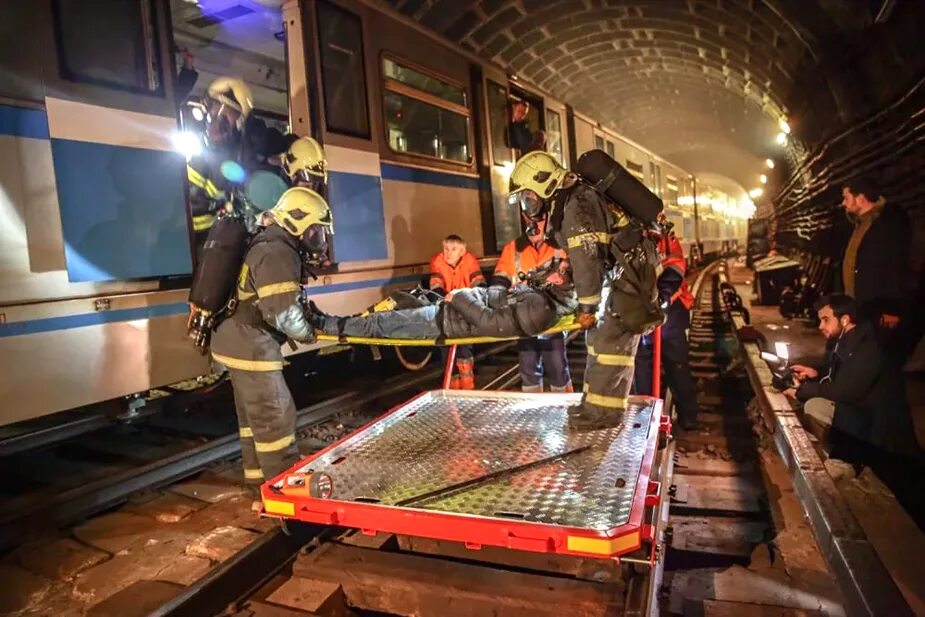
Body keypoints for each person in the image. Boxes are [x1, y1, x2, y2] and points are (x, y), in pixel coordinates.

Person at [507, 151, 663, 430]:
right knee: (601, 345)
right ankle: (594, 408)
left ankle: (605, 415)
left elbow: (587, 259)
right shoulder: (573, 199)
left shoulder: (577, 204)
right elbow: (586, 253)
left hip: (628, 279)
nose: (528, 207)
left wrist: (587, 307)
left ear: (545, 184)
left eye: (529, 198)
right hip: (626, 274)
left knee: (609, 347)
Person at [210, 187, 334, 491]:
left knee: (253, 423)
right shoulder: (278, 251)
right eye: (317, 231)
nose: (321, 239)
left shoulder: (269, 242)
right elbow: (283, 315)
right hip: (251, 347)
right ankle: (286, 494)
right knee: (274, 418)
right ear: (296, 222)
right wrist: (309, 333)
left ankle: (258, 488)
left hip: (235, 342)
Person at [783, 294, 922, 523]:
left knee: (814, 405)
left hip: (881, 431)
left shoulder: (869, 347)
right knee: (814, 404)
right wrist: (815, 373)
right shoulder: (847, 340)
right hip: (862, 416)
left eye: (825, 320)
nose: (821, 326)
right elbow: (837, 372)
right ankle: (846, 454)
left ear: (845, 319)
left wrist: (802, 391)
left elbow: (845, 392)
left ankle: (850, 459)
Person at [313, 270, 577, 343]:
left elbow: (489, 323)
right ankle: (340, 322)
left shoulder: (541, 309)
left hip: (443, 321)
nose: (554, 271)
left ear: (563, 284)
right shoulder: (541, 299)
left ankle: (328, 324)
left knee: (381, 324)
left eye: (560, 272)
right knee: (398, 300)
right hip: (446, 310)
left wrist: (460, 296)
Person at [492, 196, 572, 393]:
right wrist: (495, 298)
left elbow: (572, 278)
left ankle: (563, 409)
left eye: (537, 222)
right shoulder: (513, 249)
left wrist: (562, 278)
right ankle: (533, 411)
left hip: (551, 318)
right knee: (528, 367)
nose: (533, 227)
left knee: (556, 365)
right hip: (523, 317)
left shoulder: (559, 247)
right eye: (529, 221)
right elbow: (500, 277)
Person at [633, 216, 699, 429]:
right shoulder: (626, 234)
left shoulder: (664, 236)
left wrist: (662, 296)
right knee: (642, 366)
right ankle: (644, 418)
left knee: (676, 366)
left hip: (669, 309)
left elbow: (676, 266)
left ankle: (688, 416)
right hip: (640, 311)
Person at [838, 177, 912, 359]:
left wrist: (892, 308)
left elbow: (895, 265)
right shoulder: (860, 224)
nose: (843, 203)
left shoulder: (886, 225)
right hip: (860, 304)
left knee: (880, 358)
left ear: (860, 198)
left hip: (877, 306)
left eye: (846, 198)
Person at [429, 235, 487, 389]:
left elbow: (479, 285)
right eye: (446, 249)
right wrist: (444, 298)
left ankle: (468, 388)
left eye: (453, 249)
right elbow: (436, 286)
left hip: (465, 308)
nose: (448, 253)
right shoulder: (438, 261)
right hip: (445, 309)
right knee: (446, 349)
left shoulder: (470, 261)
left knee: (464, 347)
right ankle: (453, 390)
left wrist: (463, 297)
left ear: (462, 251)